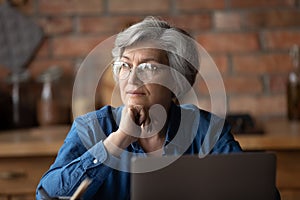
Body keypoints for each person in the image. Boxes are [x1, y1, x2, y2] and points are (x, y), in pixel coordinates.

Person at [36, 16, 276, 200]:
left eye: (148, 68)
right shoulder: (90, 127)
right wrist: (117, 141)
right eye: (125, 66)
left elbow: (258, 192)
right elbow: (47, 194)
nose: (132, 79)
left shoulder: (206, 131)